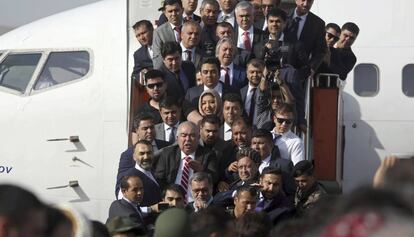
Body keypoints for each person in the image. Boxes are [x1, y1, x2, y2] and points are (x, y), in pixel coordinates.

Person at [154, 121, 218, 199]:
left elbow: (214, 179)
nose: (188, 139)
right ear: (177, 138)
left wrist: (201, 170)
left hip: (197, 201)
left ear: (198, 138)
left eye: (192, 136)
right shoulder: (168, 154)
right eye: (184, 135)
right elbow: (159, 179)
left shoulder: (208, 154)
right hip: (173, 201)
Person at [184, 57, 240, 122]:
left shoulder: (232, 91)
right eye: (205, 72)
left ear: (219, 73)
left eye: (213, 72)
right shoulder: (191, 93)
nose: (209, 75)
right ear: (201, 74)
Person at [119, 113, 171, 178]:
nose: (149, 131)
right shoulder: (128, 155)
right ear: (137, 131)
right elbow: (122, 183)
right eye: (145, 128)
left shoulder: (167, 146)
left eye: (152, 127)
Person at [116, 140, 162, 207]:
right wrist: (150, 209)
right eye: (142, 153)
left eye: (149, 153)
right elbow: (124, 206)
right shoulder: (130, 177)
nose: (146, 157)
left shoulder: (154, 172)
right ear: (134, 157)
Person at [152, 0, 184, 69]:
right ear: (165, 13)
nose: (174, 14)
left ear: (182, 10)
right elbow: (158, 60)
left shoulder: (193, 27)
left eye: (176, 10)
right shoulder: (159, 32)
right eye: (170, 11)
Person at [240, 59, 263, 125]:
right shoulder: (240, 92)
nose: (255, 75)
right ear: (247, 74)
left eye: (259, 72)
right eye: (252, 72)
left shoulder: (269, 92)